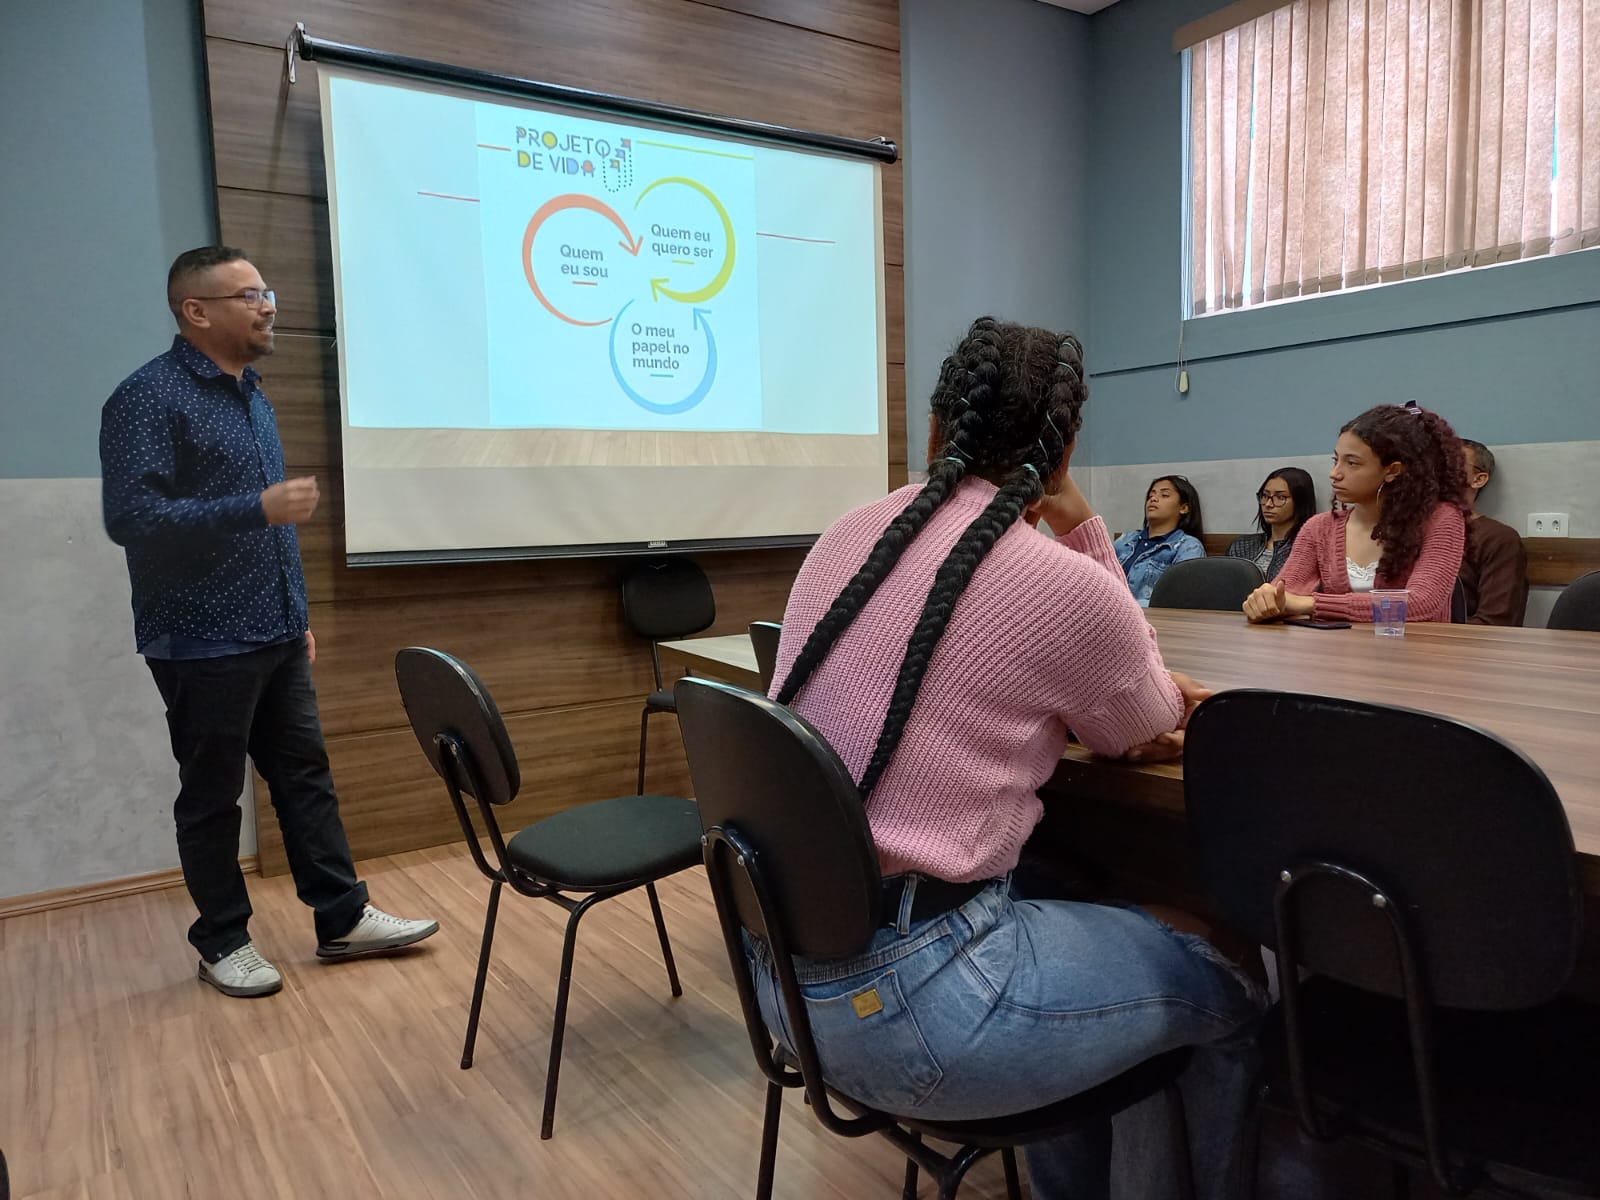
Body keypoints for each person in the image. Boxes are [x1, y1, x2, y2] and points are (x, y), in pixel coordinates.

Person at [758, 318, 1262, 1200]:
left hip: (785, 989)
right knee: (1228, 981)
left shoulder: (846, 537)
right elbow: (1139, 724)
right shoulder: (1059, 582)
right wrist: (1084, 528)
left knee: (1095, 912)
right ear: (1062, 451)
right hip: (922, 1014)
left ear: (935, 432)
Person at [100, 246, 438, 999]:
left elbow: (275, 531)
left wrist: (298, 613)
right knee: (214, 794)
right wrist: (253, 508)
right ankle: (222, 940)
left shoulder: (252, 393)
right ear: (196, 310)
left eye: (266, 291)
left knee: (304, 777)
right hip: (199, 637)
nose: (269, 305)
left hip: (276, 629)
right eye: (249, 294)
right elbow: (131, 519)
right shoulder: (146, 398)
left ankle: (341, 918)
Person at [1243, 402, 1468, 624]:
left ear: (1392, 471)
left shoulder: (1442, 519)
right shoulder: (1320, 527)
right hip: (1340, 654)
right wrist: (1264, 601)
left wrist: (1313, 604)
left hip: (1417, 655)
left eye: (1352, 463)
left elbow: (1421, 604)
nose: (1334, 473)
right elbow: (1284, 594)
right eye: (1336, 460)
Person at [1458, 439, 1528, 626]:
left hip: (1459, 646)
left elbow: (1496, 621)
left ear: (1478, 479)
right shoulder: (1409, 533)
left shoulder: (1498, 539)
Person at [1114, 475, 1207, 605]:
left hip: (1154, 619)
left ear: (1184, 508)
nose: (1153, 499)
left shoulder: (1188, 547)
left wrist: (1126, 606)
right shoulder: (1125, 540)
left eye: (1164, 495)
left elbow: (1179, 598)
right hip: (1109, 615)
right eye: (1151, 495)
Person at [1226, 467, 1317, 581]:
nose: (1268, 504)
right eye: (1265, 496)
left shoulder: (1307, 551)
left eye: (1280, 497)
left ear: (1300, 502)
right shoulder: (1241, 546)